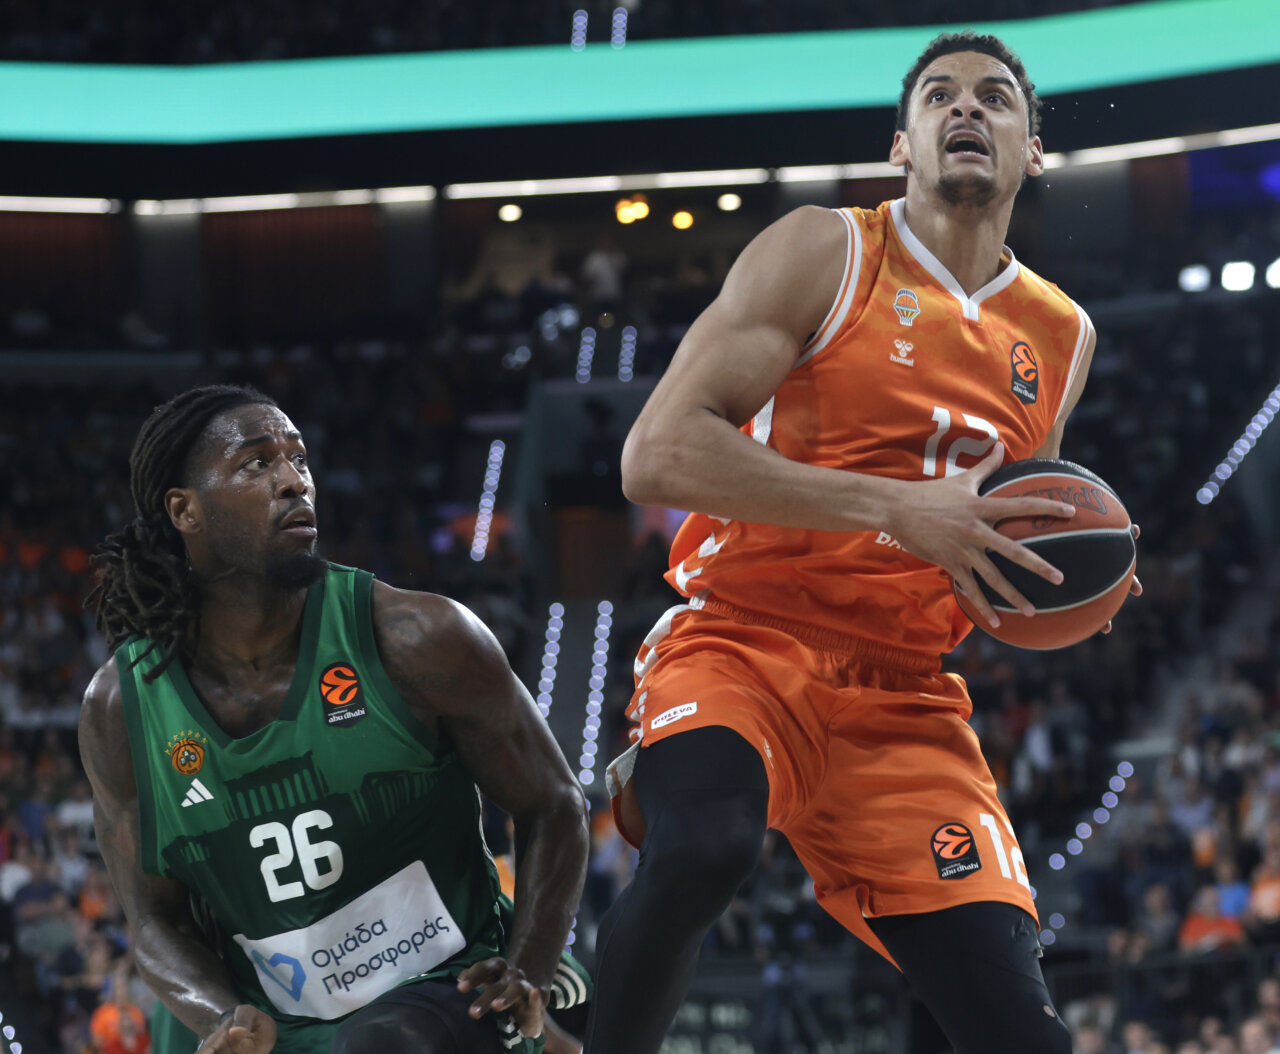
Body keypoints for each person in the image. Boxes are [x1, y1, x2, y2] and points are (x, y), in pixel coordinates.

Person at [587, 30, 1142, 1054]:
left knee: (1016, 1031)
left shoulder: (1060, 335)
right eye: (938, 97)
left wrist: (1057, 582)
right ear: (902, 144)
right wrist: (896, 507)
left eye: (992, 98)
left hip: (902, 691)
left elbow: (1013, 522)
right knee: (708, 842)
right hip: (744, 638)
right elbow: (654, 454)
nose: (964, 108)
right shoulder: (824, 249)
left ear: (1029, 157)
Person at [79, 385, 589, 1054]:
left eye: (298, 459)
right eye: (256, 463)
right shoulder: (121, 711)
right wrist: (221, 1018)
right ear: (185, 510)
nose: (294, 481)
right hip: (265, 1021)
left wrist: (530, 970)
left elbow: (554, 803)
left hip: (444, 992)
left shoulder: (417, 639)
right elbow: (152, 920)